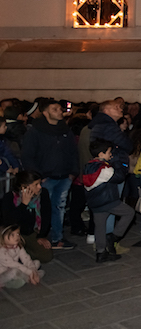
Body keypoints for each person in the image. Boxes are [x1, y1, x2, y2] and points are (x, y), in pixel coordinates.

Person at [21, 99, 79, 250]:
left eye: (60, 109)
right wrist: (38, 176)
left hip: (64, 176)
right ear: (45, 112)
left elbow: (73, 152)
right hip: (44, 178)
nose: (59, 111)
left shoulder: (65, 130)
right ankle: (36, 238)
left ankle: (56, 238)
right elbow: (27, 155)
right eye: (55, 109)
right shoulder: (35, 131)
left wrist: (73, 172)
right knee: (40, 207)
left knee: (59, 207)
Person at [83, 139, 135, 262]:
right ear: (101, 154)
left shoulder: (89, 166)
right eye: (108, 152)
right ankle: (114, 237)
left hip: (95, 203)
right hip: (108, 201)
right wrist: (118, 163)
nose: (110, 155)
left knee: (100, 228)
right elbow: (119, 177)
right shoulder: (104, 169)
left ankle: (100, 253)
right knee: (129, 213)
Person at [1, 171, 53, 264]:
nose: (39, 187)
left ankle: (22, 255)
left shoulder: (43, 194)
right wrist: (23, 205)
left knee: (46, 256)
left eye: (40, 183)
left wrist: (41, 235)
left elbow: (46, 216)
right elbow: (9, 222)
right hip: (13, 234)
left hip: (31, 232)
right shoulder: (9, 197)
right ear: (24, 186)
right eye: (36, 184)